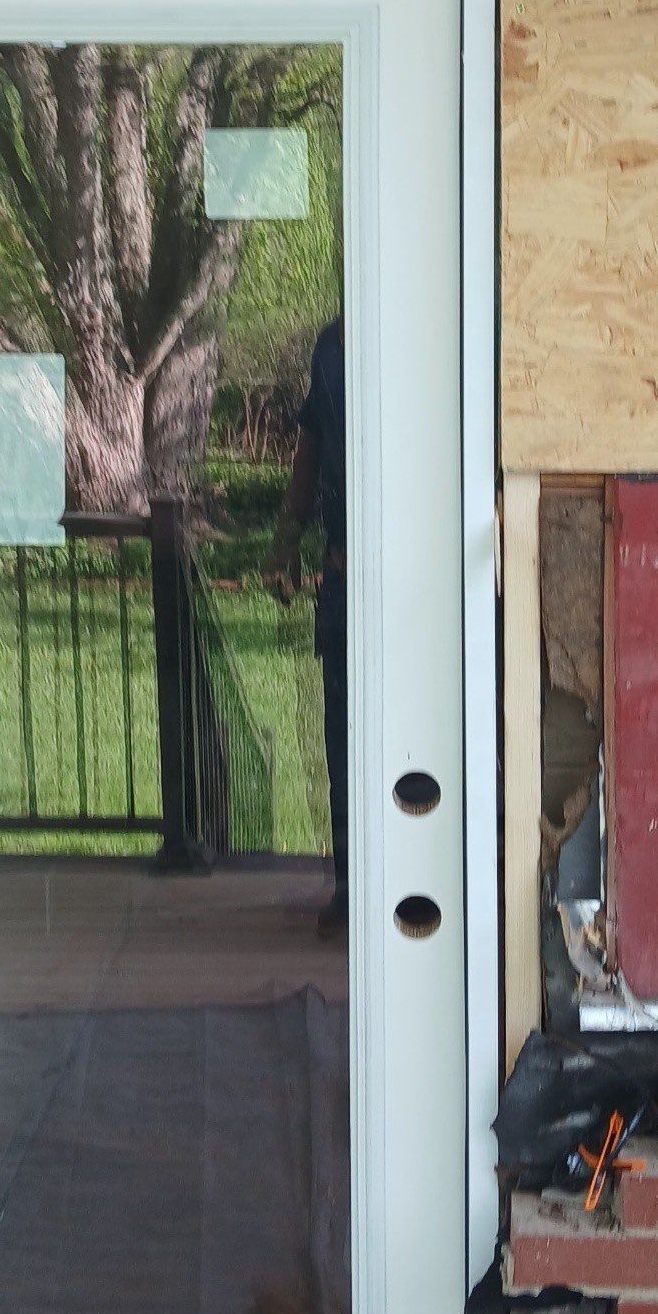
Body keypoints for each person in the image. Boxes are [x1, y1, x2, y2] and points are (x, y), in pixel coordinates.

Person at [268, 316, 347, 939]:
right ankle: (350, 886)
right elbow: (312, 442)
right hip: (343, 577)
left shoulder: (421, 330)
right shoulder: (329, 345)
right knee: (341, 735)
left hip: (413, 587)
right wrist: (287, 536)